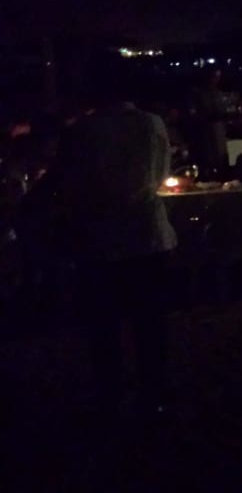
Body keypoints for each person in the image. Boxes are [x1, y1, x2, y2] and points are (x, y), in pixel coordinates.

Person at [52, 84, 177, 415]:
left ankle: (110, 391)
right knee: (149, 322)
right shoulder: (151, 123)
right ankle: (153, 390)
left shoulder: (82, 131)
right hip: (147, 232)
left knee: (103, 325)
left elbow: (69, 183)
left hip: (100, 236)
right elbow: (160, 173)